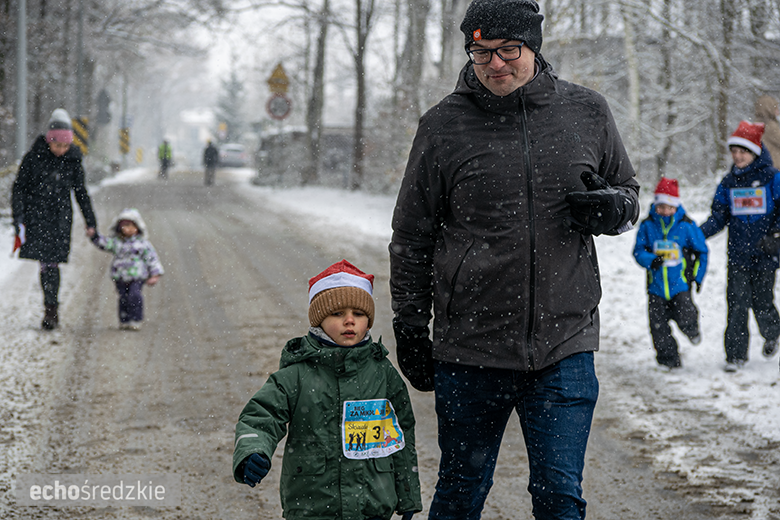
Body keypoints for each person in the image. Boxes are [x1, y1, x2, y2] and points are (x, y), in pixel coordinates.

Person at [388, 0, 640, 518]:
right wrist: (410, 326)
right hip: (471, 348)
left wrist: (616, 208)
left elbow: (627, 191)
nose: (495, 64)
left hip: (565, 344)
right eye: (481, 53)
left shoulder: (586, 111)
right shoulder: (443, 126)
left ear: (535, 47)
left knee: (559, 495)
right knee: (459, 492)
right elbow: (412, 235)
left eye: (508, 50)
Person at [233, 260, 422, 520]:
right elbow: (261, 417)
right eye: (337, 314)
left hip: (374, 505)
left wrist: (408, 493)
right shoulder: (296, 375)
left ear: (368, 320)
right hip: (313, 506)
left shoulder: (383, 374)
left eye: (358, 313)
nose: (349, 321)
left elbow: (402, 435)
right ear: (319, 319)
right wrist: (252, 451)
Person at [701, 120, 780, 372]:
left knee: (762, 303)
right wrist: (695, 235)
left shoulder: (772, 178)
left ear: (754, 152)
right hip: (738, 256)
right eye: (734, 151)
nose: (737, 156)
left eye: (742, 151)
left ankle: (773, 333)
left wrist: (775, 236)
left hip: (765, 255)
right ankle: (735, 357)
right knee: (736, 305)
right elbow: (718, 217)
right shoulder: (728, 183)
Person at [11, 108, 98, 330]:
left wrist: (91, 222)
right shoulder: (33, 158)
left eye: (65, 146)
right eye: (57, 145)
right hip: (36, 216)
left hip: (60, 218)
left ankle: (51, 309)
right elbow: (19, 189)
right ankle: (50, 309)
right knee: (47, 263)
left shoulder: (73, 161)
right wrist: (19, 218)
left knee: (52, 264)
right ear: (49, 141)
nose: (61, 150)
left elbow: (81, 192)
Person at [633, 178, 708, 370]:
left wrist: (698, 277)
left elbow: (702, 251)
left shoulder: (686, 225)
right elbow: (638, 251)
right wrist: (651, 260)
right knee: (658, 327)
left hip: (680, 285)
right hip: (656, 287)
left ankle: (692, 330)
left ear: (676, 206)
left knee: (686, 314)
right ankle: (669, 359)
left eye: (669, 207)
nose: (665, 211)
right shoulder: (648, 225)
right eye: (661, 207)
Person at [89, 208, 163, 330]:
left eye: (133, 226)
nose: (129, 229)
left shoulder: (142, 244)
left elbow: (152, 258)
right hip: (121, 276)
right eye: (126, 226)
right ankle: (124, 319)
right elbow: (104, 243)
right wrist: (94, 236)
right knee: (123, 297)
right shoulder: (116, 243)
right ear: (119, 228)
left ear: (138, 227)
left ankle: (136, 319)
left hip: (137, 276)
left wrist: (155, 274)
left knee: (135, 295)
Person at [755, 95, 780, 168]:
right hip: (775, 164)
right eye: (775, 108)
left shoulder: (756, 124)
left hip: (763, 164)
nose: (778, 111)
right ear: (768, 109)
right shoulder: (770, 126)